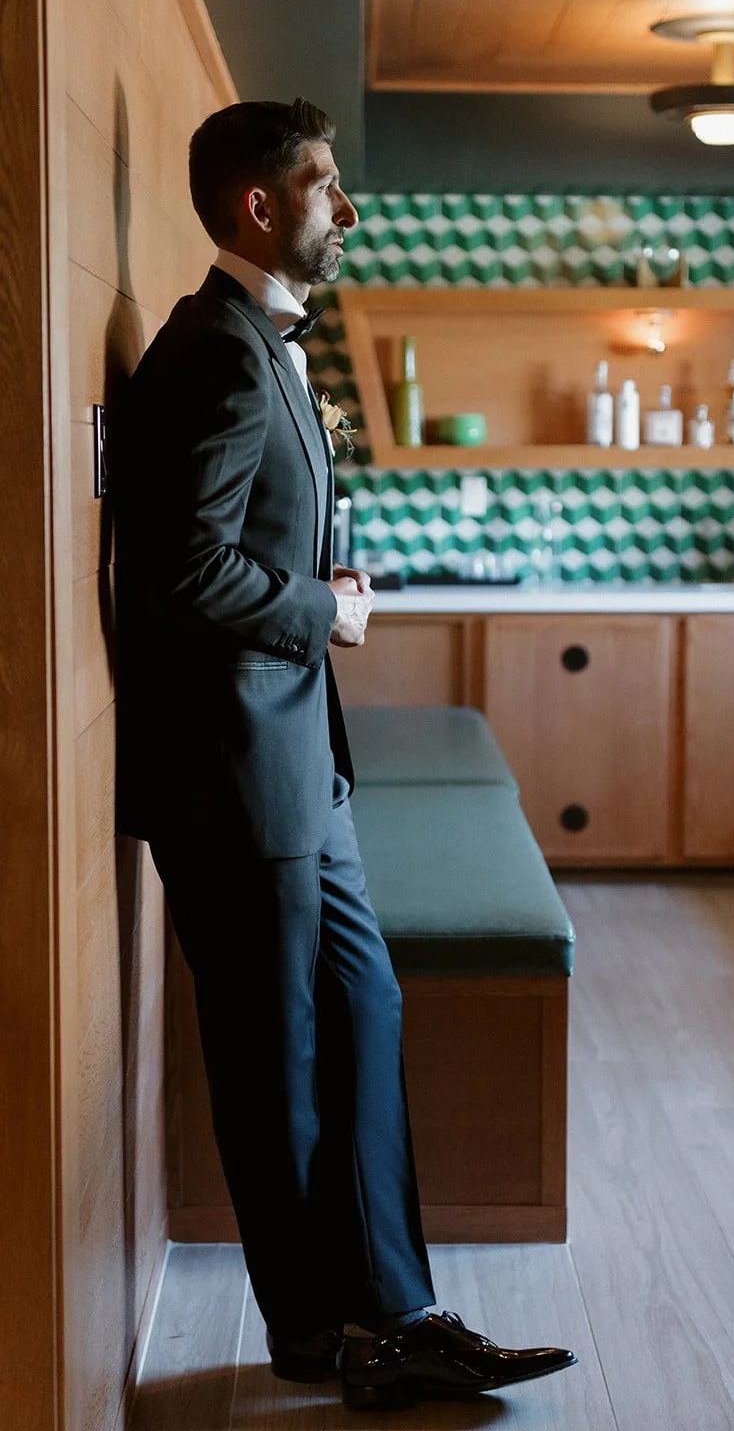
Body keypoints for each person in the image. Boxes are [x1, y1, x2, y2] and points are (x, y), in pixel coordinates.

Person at [112, 99, 575, 1412]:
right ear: (261, 206)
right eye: (325, 185)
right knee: (283, 1064)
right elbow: (180, 571)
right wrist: (332, 611)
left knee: (358, 1017)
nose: (346, 208)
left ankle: (389, 1313)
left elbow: (234, 539)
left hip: (289, 771)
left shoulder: (250, 343)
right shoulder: (210, 350)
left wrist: (318, 585)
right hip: (234, 780)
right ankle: (338, 1338)